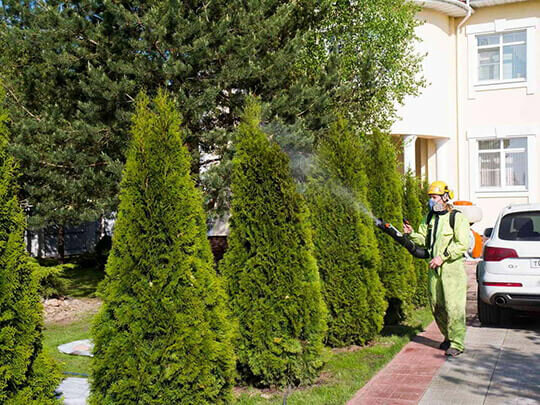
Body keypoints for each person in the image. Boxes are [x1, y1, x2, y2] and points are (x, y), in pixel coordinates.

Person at [403, 181, 469, 356]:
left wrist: (443, 257)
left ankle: (457, 343)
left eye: (434, 197)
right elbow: (424, 240)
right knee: (437, 306)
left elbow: (463, 243)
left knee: (453, 307)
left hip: (451, 270)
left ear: (445, 197)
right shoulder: (429, 218)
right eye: (430, 197)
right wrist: (411, 233)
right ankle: (448, 337)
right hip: (434, 270)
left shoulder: (456, 217)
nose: (431, 201)